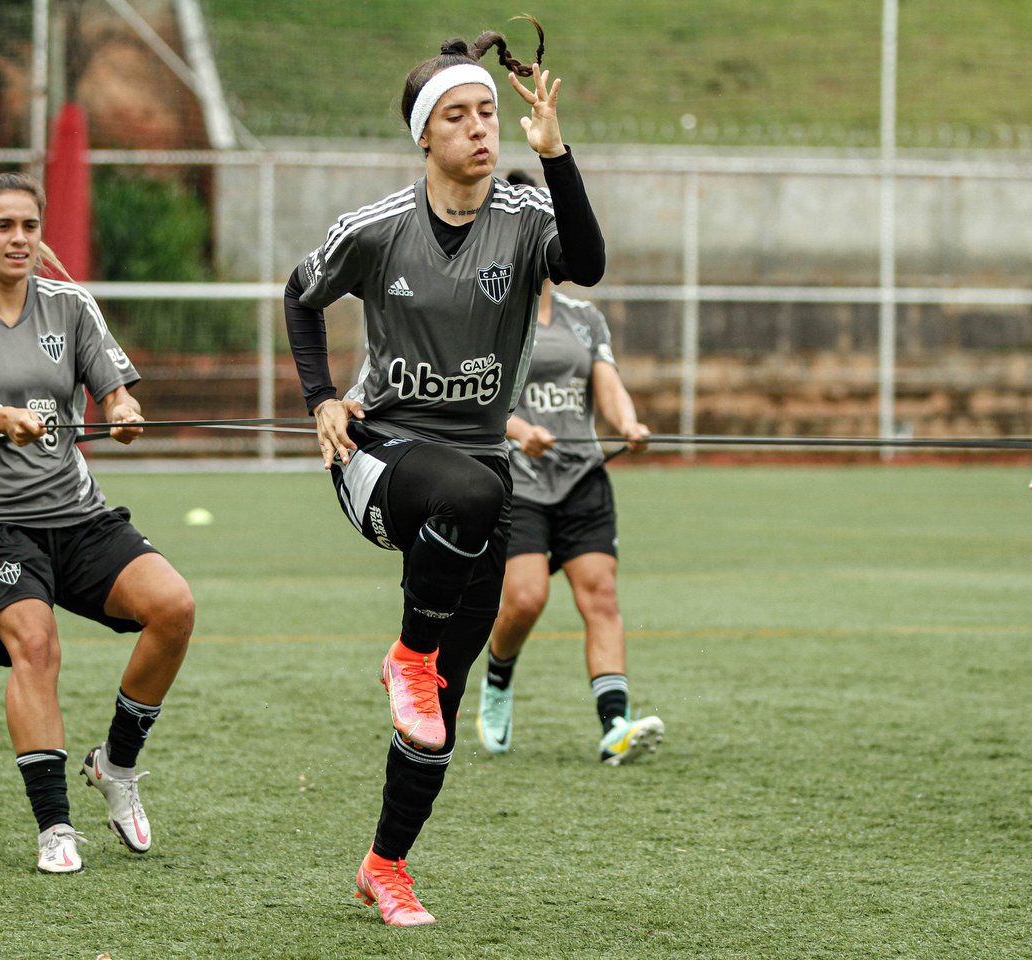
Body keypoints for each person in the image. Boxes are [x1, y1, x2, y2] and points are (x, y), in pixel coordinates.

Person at [284, 17, 604, 926]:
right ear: (423, 134)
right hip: (379, 456)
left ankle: (386, 865)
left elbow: (587, 265)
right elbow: (298, 295)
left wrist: (559, 154)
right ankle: (406, 654)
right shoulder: (378, 229)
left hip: (479, 477)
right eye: (458, 115)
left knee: (439, 709)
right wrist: (319, 398)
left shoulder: (525, 213)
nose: (480, 127)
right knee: (471, 492)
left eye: (489, 114)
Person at [0, 172, 194, 874]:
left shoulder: (70, 305)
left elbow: (115, 394)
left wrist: (124, 415)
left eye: (30, 226)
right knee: (35, 647)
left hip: (79, 513)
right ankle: (55, 829)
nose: (19, 239)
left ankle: (116, 765)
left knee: (174, 607)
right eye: (3, 226)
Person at [475, 170, 665, 766]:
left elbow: (606, 384)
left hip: (583, 477)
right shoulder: (484, 315)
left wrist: (628, 424)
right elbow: (471, 394)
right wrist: (518, 429)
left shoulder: (585, 318)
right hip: (520, 482)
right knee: (525, 599)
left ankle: (615, 728)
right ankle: (498, 680)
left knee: (601, 597)